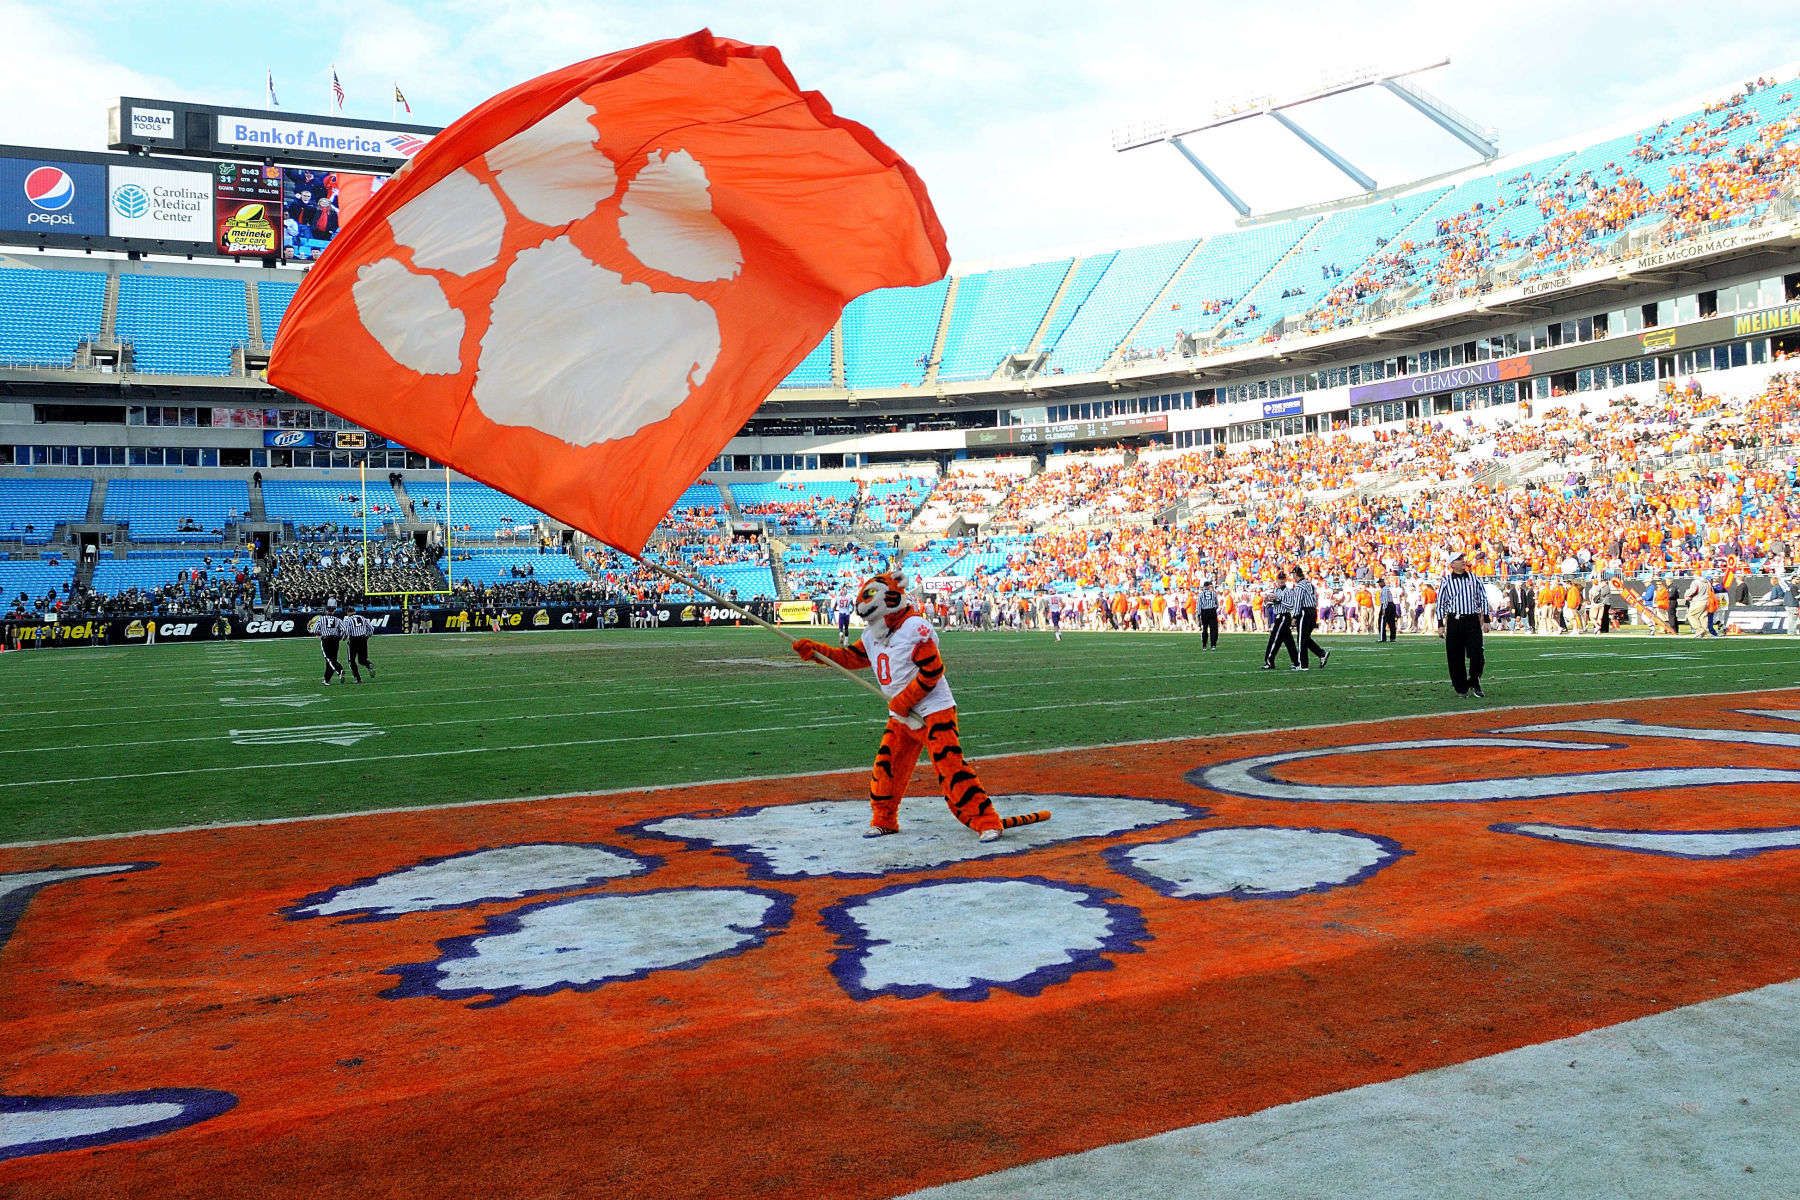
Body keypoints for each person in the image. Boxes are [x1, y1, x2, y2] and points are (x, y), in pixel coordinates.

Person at [792, 573, 1004, 842]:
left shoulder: (915, 628)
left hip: (932, 711)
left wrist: (904, 701)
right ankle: (884, 819)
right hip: (901, 715)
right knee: (887, 767)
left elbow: (932, 671)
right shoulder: (872, 634)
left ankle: (987, 821)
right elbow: (850, 658)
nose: (868, 620)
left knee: (950, 767)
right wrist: (817, 652)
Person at [1436, 550, 1492, 698]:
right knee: (1455, 656)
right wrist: (1440, 624)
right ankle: (1461, 687)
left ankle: (1475, 680)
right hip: (1455, 620)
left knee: (1477, 654)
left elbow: (1483, 598)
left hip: (1472, 620)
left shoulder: (1474, 578)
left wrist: (1486, 619)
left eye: (1462, 558)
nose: (1462, 560)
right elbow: (1441, 603)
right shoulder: (1446, 581)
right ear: (1452, 564)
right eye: (1459, 559)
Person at [1290, 566, 1330, 669]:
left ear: (1295, 574)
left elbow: (1298, 601)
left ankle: (1302, 664)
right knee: (1305, 638)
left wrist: (1294, 616)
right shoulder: (1309, 584)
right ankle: (1321, 654)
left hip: (1305, 612)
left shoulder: (1300, 586)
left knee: (1301, 639)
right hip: (1312, 611)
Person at [1263, 578, 1297, 671]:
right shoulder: (1275, 590)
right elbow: (1268, 602)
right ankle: (1296, 661)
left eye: (1282, 580)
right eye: (1279, 580)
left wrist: (1278, 600)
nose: (1281, 582)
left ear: (1285, 580)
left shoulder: (1289, 591)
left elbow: (1290, 605)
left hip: (1284, 616)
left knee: (1274, 638)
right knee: (1288, 641)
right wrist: (1269, 599)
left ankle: (1269, 661)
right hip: (1278, 616)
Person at [343, 604, 374, 683]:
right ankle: (368, 664)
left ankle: (358, 679)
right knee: (362, 660)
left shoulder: (348, 620)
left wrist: (344, 638)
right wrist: (368, 636)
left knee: (351, 661)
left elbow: (346, 631)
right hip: (363, 639)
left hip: (353, 640)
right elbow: (371, 628)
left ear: (348, 613)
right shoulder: (362, 617)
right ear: (355, 611)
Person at [318, 603, 347, 684]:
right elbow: (344, 629)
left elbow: (315, 629)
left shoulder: (321, 619)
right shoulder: (337, 619)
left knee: (328, 659)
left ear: (326, 611)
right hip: (335, 640)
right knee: (332, 659)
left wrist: (320, 634)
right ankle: (327, 679)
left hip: (326, 639)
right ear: (333, 611)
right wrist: (340, 637)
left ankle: (339, 670)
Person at [1195, 578, 1219, 650]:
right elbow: (1217, 604)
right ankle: (1213, 645)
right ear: (1209, 586)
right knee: (1213, 629)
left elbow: (1199, 605)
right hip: (1212, 611)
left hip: (1204, 612)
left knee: (1204, 629)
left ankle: (1204, 645)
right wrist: (1214, 609)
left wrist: (1199, 614)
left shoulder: (1201, 594)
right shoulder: (1213, 593)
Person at [1378, 575, 1400, 642]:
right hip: (1392, 605)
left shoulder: (1384, 589)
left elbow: (1385, 599)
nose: (1379, 584)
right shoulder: (1387, 588)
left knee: (1382, 622)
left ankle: (1382, 638)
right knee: (1391, 622)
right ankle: (1392, 638)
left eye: (1380, 583)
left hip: (1386, 606)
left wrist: (1384, 609)